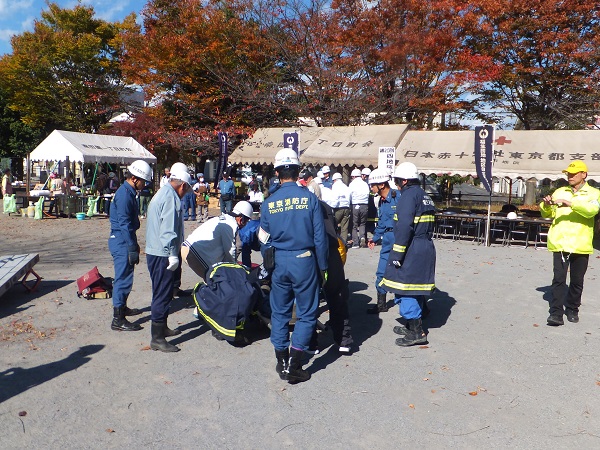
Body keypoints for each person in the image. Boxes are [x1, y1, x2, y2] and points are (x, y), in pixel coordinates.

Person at [259, 148, 328, 383]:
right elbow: (320, 238)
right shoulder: (309, 198)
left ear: (278, 173)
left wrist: (270, 265)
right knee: (307, 313)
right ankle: (295, 364)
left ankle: (281, 360)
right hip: (304, 260)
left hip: (279, 261)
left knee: (279, 312)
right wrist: (323, 267)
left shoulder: (268, 204)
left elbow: (263, 240)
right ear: (298, 171)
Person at [380, 162, 436, 346]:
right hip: (425, 245)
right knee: (416, 286)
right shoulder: (424, 195)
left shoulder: (407, 197)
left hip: (411, 247)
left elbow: (404, 227)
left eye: (397, 181)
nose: (396, 185)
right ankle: (412, 326)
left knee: (405, 288)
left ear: (404, 180)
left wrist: (397, 255)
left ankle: (417, 332)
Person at [540, 161, 600, 326]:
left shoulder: (594, 193)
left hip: (580, 243)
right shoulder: (560, 191)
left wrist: (570, 203)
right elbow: (548, 212)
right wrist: (545, 205)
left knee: (576, 281)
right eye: (568, 173)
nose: (570, 176)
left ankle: (573, 308)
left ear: (584, 175)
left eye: (574, 173)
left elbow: (591, 211)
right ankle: (556, 313)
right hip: (560, 241)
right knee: (559, 279)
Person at [145, 164, 192, 352]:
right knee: (162, 293)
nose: (186, 193)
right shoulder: (170, 198)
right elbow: (168, 231)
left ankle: (162, 328)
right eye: (187, 190)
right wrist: (172, 255)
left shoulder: (163, 193)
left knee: (162, 291)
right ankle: (156, 338)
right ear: (182, 186)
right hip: (162, 252)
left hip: (156, 250)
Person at [108, 160, 154, 332]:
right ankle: (118, 319)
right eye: (143, 181)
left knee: (126, 275)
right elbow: (125, 223)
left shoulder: (127, 191)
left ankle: (123, 307)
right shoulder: (125, 195)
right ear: (135, 178)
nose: (145, 184)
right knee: (123, 278)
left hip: (122, 238)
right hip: (122, 240)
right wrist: (132, 247)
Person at [182, 200, 253, 281]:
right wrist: (235, 268)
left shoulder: (224, 218)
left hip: (188, 248)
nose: (246, 224)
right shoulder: (231, 224)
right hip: (194, 253)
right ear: (241, 219)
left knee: (215, 276)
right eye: (246, 221)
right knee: (216, 281)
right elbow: (230, 251)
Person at [366, 168, 400, 314]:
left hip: (399, 240)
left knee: (405, 273)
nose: (371, 188)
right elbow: (381, 222)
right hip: (387, 240)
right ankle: (381, 304)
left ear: (381, 185)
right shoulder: (381, 201)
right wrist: (374, 238)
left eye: (372, 185)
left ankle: (421, 307)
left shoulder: (398, 197)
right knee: (381, 272)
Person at [349, 168, 370, 248]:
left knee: (354, 225)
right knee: (362, 223)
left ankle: (356, 243)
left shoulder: (352, 184)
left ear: (353, 176)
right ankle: (362, 237)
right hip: (364, 205)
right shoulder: (365, 184)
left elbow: (350, 195)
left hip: (355, 204)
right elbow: (368, 194)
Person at [330, 173, 351, 244]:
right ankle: (344, 242)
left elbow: (335, 198)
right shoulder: (345, 186)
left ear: (334, 180)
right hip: (347, 207)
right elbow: (349, 197)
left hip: (338, 208)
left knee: (333, 224)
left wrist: (332, 207)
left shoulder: (335, 186)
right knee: (344, 227)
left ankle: (334, 241)